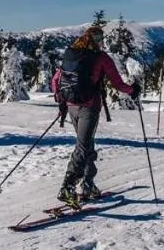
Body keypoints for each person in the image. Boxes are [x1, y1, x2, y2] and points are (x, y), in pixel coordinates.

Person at [51, 26, 140, 206]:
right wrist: (133, 90)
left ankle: (88, 184)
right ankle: (68, 186)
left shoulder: (71, 54)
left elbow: (55, 81)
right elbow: (117, 83)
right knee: (83, 146)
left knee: (86, 144)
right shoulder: (101, 58)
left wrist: (62, 101)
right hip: (89, 106)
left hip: (70, 106)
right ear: (98, 40)